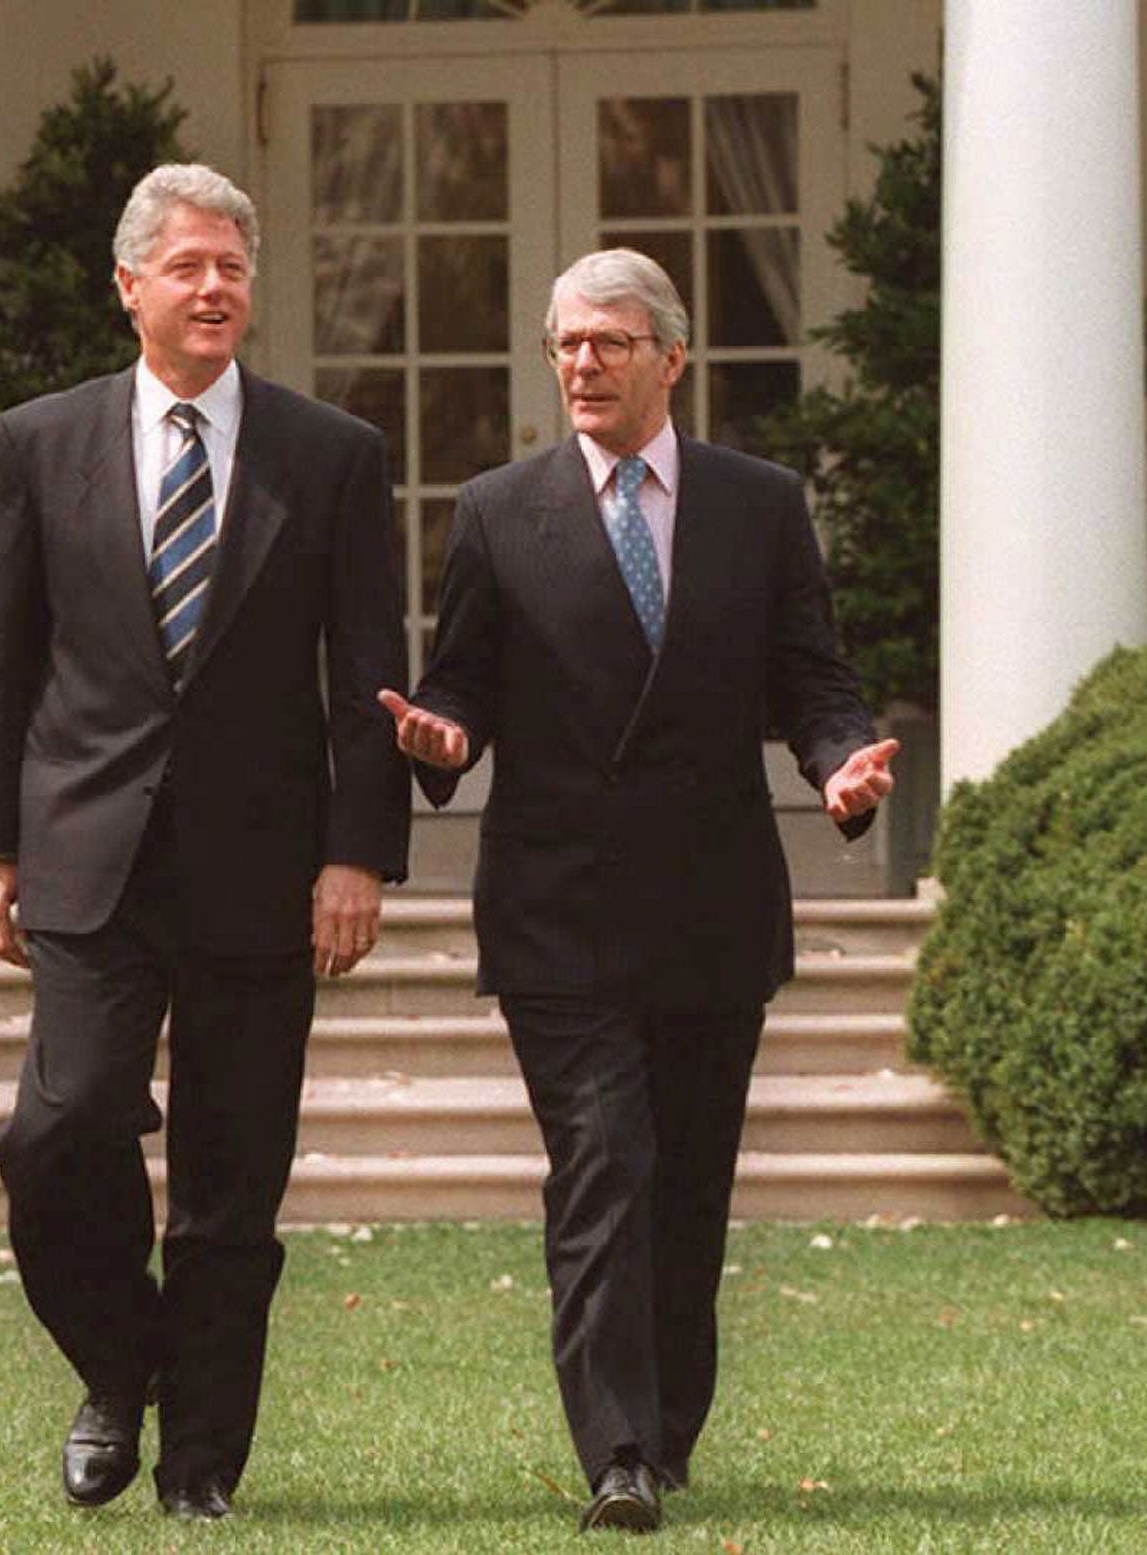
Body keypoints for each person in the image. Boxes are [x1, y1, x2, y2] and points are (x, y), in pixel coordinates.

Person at [378, 248, 895, 1534]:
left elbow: (810, 678)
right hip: (557, 904)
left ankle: (662, 1433)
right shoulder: (500, 509)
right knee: (603, 1161)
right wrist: (440, 735)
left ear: (672, 357)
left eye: (608, 342)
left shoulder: (758, 504)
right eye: (564, 343)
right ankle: (613, 1449)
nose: (582, 365)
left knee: (687, 1180)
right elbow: (461, 679)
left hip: (713, 902)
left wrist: (840, 766)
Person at [0, 163, 409, 1523]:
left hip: (265, 869)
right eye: (189, 266)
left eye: (232, 267)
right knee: (57, 1130)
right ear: (131, 286)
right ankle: (118, 1365)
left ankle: (201, 1459)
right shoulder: (40, 441)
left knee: (230, 1180)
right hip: (89, 855)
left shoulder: (330, 454)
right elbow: (0, 658)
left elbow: (366, 673)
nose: (215, 288)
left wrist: (359, 853)